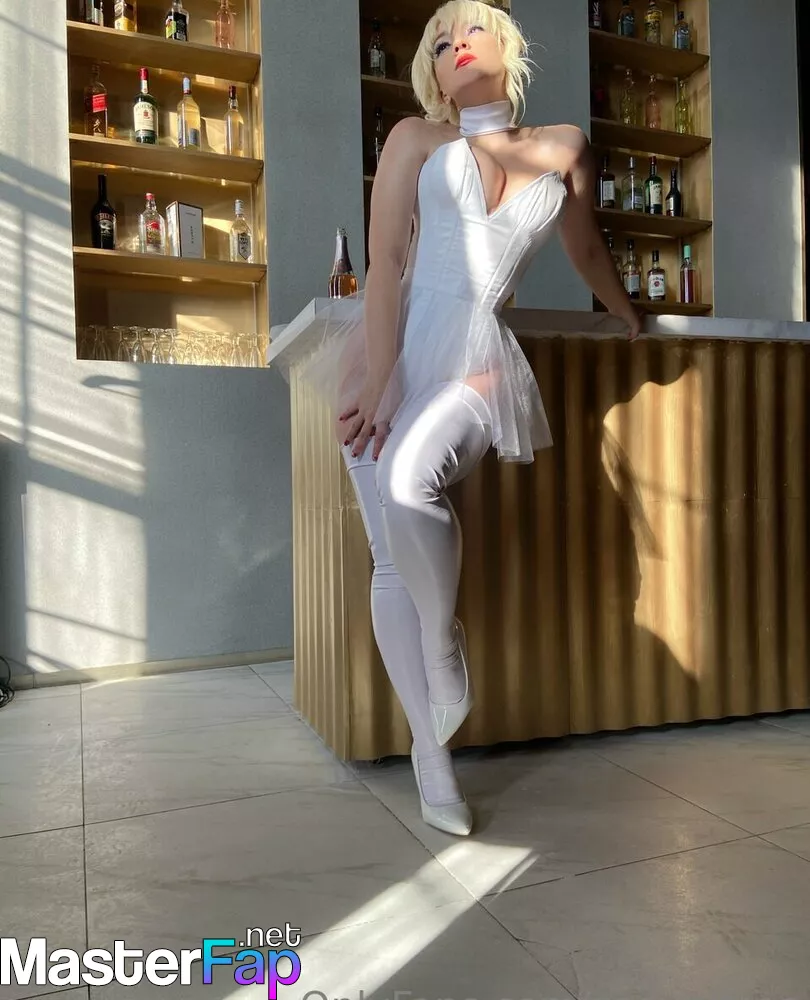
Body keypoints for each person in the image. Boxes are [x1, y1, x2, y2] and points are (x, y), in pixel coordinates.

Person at [273, 0, 641, 836]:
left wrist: (624, 309)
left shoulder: (565, 146)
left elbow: (585, 246)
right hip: (392, 350)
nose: (456, 44)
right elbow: (386, 262)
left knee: (412, 482)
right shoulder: (415, 139)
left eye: (471, 29)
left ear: (505, 46)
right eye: (440, 42)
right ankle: (429, 757)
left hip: (480, 350)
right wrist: (383, 378)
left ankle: (443, 646)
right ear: (433, 77)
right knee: (389, 560)